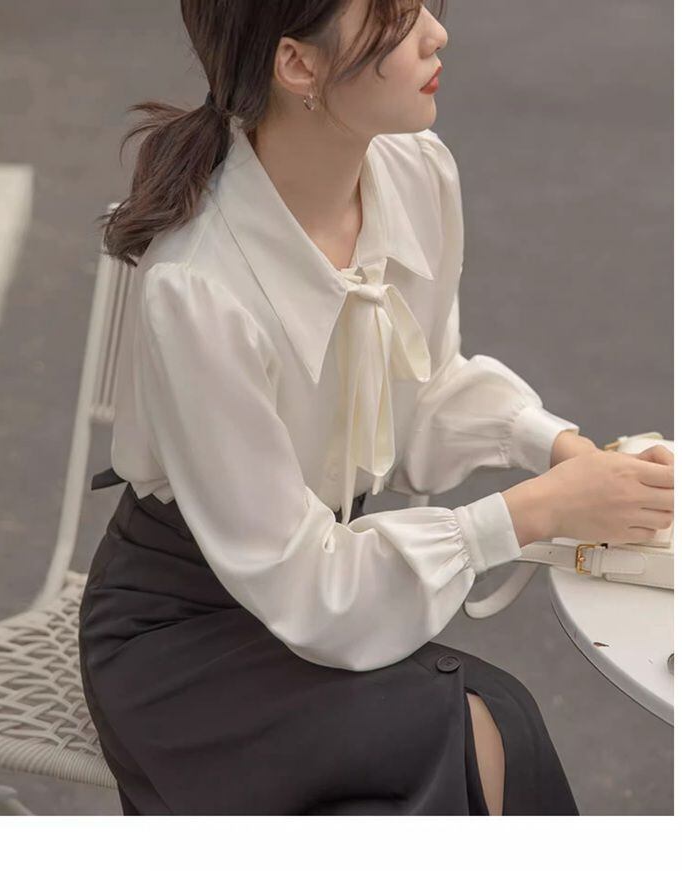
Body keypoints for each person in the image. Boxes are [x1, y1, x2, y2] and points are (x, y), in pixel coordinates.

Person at [78, 0, 674, 815]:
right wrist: (534, 511)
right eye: (393, 16)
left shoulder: (415, 171)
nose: (436, 32)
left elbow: (420, 390)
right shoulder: (198, 285)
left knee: (482, 729)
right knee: (476, 730)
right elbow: (306, 583)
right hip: (185, 636)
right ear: (298, 64)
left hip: (313, 592)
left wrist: (560, 450)